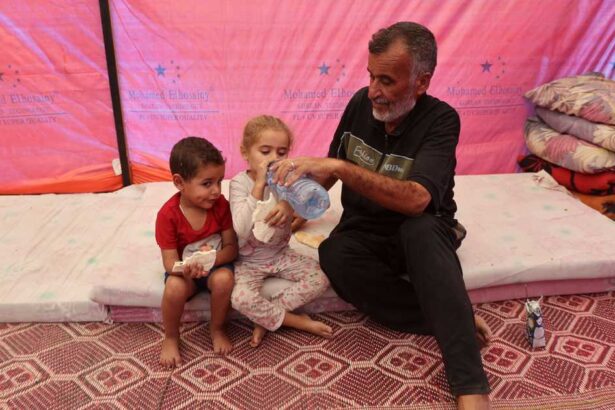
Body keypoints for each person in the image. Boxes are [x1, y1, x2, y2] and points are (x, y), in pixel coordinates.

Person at [271, 22, 492, 409]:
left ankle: (470, 386)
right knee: (334, 253)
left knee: (421, 231)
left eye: (387, 80)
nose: (374, 89)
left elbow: (417, 200)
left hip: (420, 231)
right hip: (365, 232)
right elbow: (331, 169)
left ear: (421, 82)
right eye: (371, 76)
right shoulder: (360, 104)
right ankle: (450, 318)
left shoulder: (442, 120)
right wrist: (298, 204)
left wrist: (339, 168)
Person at [229, 115, 332, 347]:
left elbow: (313, 202)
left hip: (280, 254)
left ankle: (267, 318)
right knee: (239, 298)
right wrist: (259, 185)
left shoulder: (288, 180)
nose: (274, 158)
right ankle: (294, 321)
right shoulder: (239, 184)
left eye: (282, 152)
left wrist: (288, 204)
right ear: (245, 152)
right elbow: (240, 230)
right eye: (265, 151)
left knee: (320, 277)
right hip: (248, 261)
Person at [156, 136, 238, 367]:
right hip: (186, 274)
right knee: (173, 287)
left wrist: (211, 260)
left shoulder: (221, 206)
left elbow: (232, 249)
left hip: (216, 268)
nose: (216, 191)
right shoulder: (167, 215)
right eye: (207, 183)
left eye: (219, 181)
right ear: (179, 182)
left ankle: (217, 328)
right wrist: (188, 269)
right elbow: (170, 263)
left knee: (224, 279)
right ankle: (171, 337)